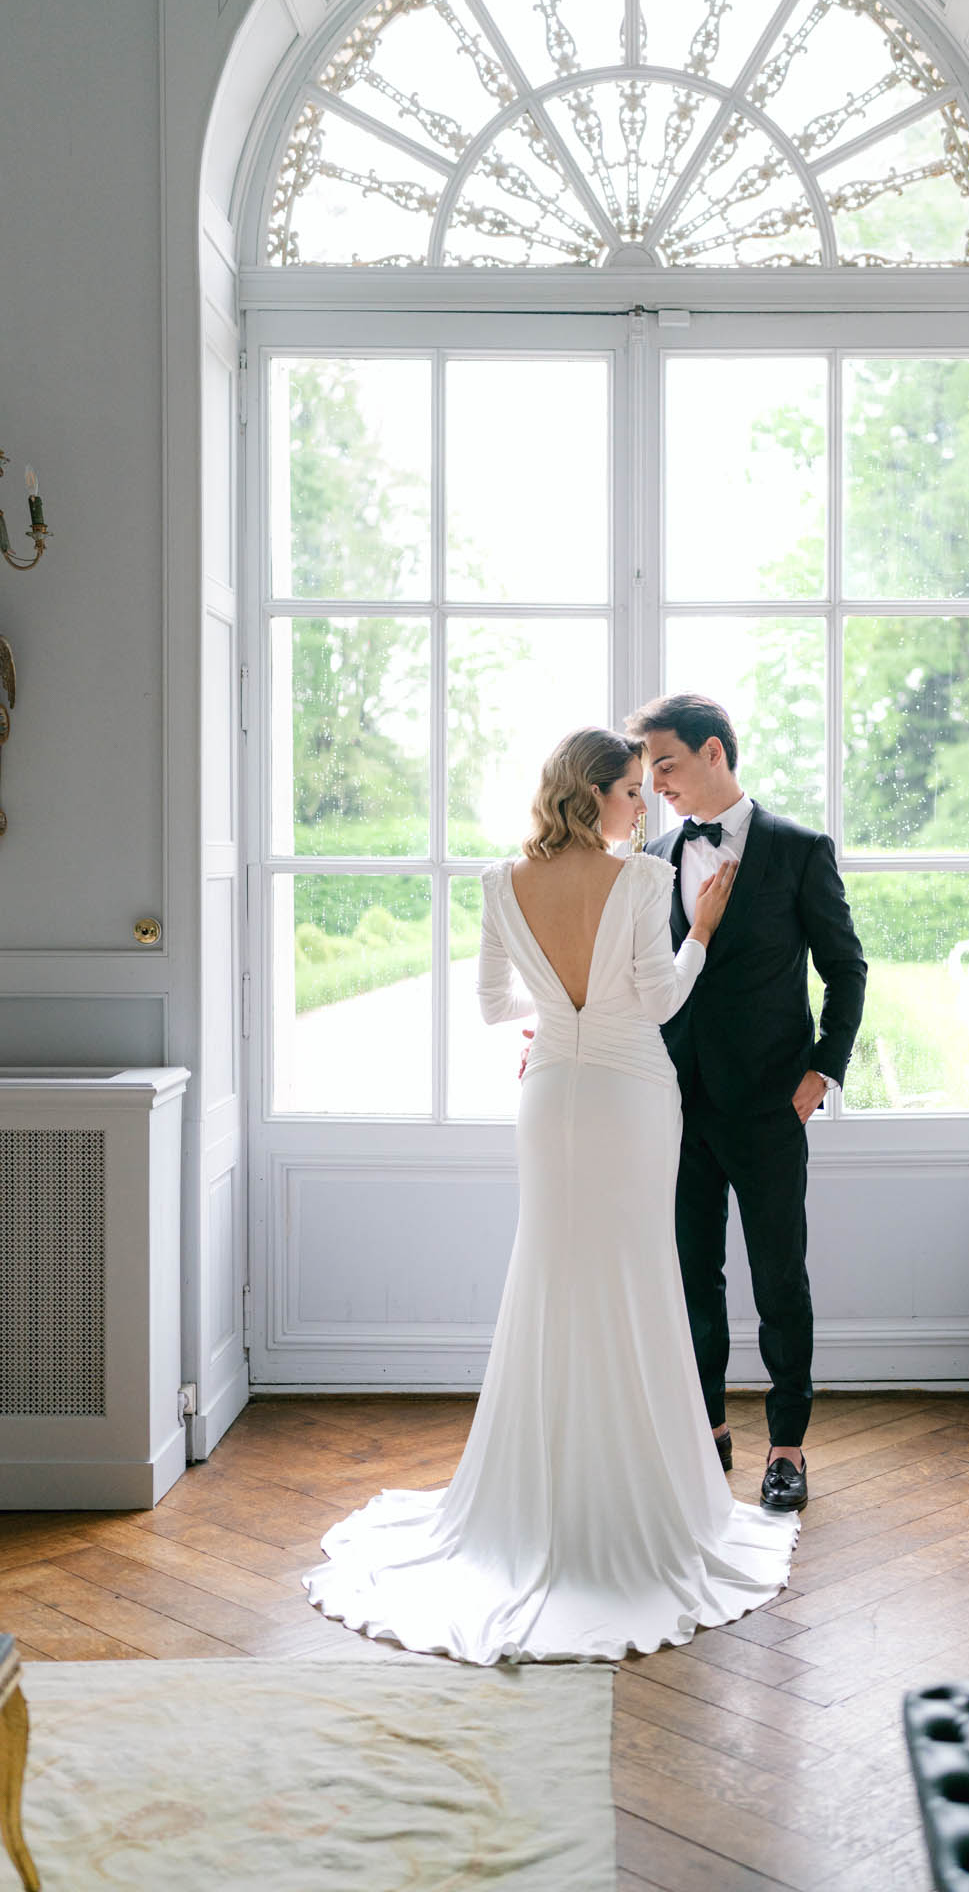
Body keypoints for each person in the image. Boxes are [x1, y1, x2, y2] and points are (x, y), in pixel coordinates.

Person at [303, 727, 800, 1662]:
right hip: (631, 1095)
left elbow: (497, 1007)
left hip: (553, 1095)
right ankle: (636, 1496)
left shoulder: (502, 884)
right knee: (638, 1277)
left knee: (551, 1276)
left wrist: (561, 1014)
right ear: (593, 794)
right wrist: (700, 931)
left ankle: (537, 1500)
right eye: (627, 794)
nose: (641, 808)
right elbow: (658, 1003)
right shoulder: (646, 882)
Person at [625, 694, 867, 1516]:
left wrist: (821, 1073)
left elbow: (847, 968)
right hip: (676, 1106)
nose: (656, 786)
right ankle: (707, 1431)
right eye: (648, 771)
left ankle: (788, 1448)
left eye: (666, 765)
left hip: (770, 1106)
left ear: (714, 752)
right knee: (692, 1276)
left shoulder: (800, 851)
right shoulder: (653, 856)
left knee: (778, 1280)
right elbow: (647, 981)